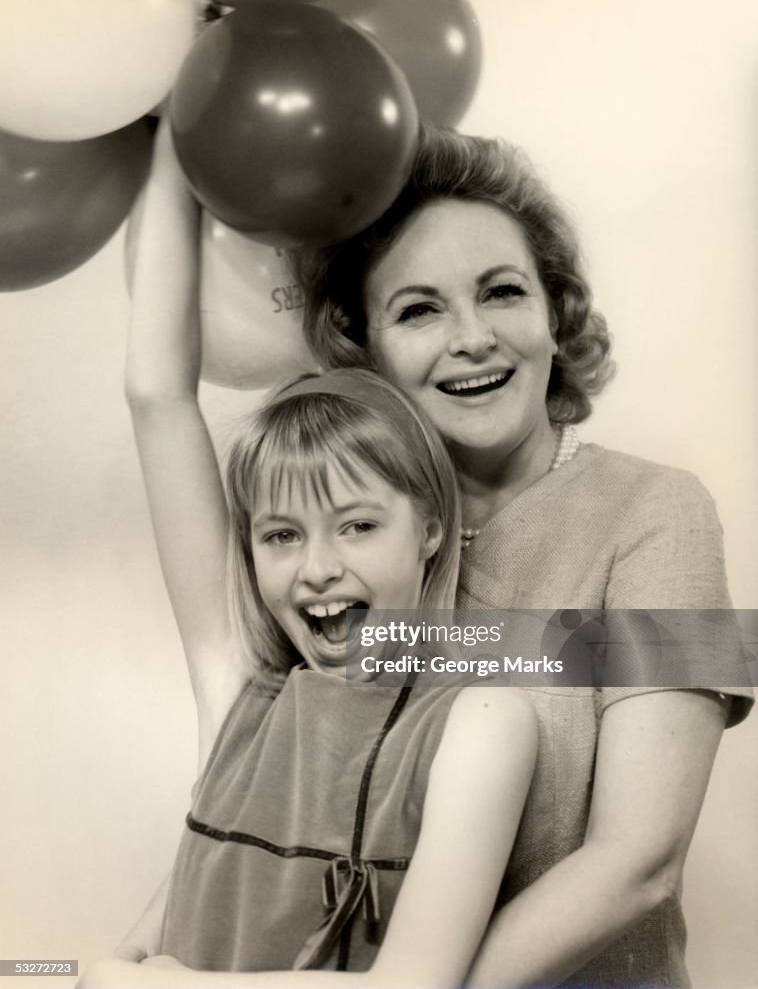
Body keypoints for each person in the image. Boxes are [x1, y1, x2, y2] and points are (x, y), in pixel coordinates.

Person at [76, 120, 539, 989]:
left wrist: (147, 982)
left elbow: (413, 986)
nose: (316, 567)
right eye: (281, 535)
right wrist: (181, 131)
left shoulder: (481, 721)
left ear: (431, 526)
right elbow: (155, 393)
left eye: (358, 526)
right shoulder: (242, 686)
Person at [291, 125, 754, 988]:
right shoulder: (349, 545)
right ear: (370, 350)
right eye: (420, 308)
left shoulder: (664, 511)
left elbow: (638, 864)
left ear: (554, 315)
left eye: (501, 292)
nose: (472, 337)